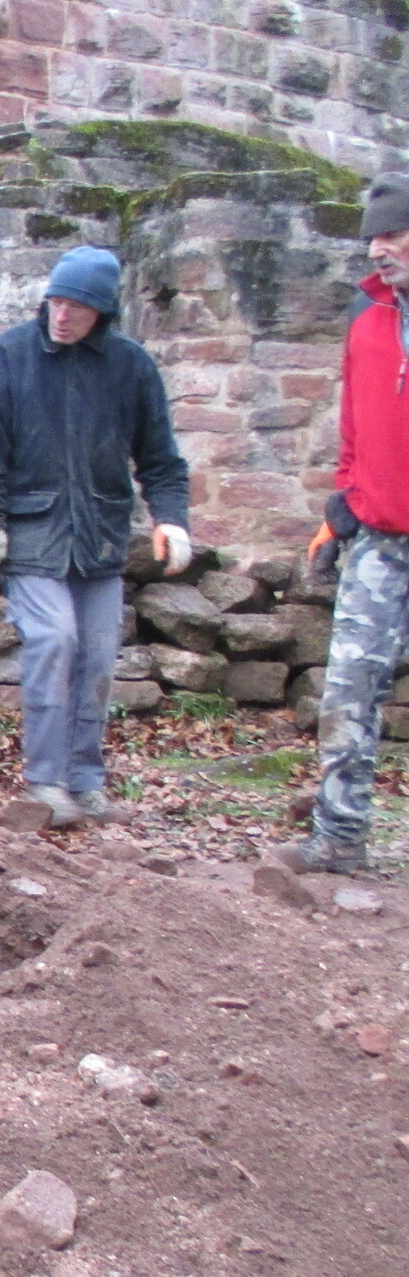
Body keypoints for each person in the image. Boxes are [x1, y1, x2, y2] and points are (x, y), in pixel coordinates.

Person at [0, 244, 193, 828]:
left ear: (102, 312)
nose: (62, 316)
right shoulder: (9, 357)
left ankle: (85, 782)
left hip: (101, 537)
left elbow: (161, 459)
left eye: (77, 307)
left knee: (97, 659)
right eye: (56, 302)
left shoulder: (131, 367)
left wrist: (171, 518)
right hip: (32, 534)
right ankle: (45, 783)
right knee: (53, 639)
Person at [280, 173, 409, 875]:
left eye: (392, 235)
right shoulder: (368, 318)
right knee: (350, 689)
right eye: (372, 238)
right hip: (381, 538)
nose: (377, 249)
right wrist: (344, 509)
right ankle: (339, 836)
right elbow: (355, 428)